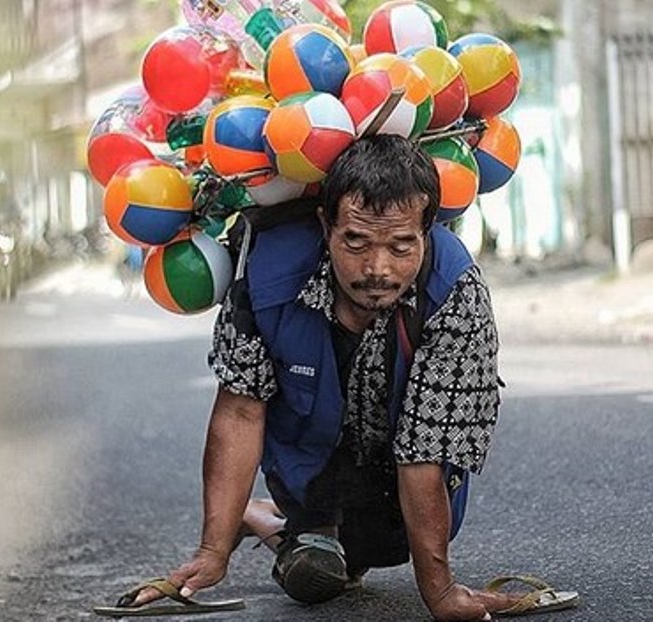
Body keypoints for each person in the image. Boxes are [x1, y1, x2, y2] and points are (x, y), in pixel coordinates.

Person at [119, 135, 576, 621]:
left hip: (402, 485)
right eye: (355, 241)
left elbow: (425, 455)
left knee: (375, 550)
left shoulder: (455, 292)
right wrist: (212, 553)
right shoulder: (266, 270)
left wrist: (440, 592)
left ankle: (265, 520)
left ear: (429, 233)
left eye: (402, 246)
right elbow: (239, 411)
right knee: (313, 579)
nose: (377, 268)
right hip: (307, 473)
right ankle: (283, 520)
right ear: (325, 226)